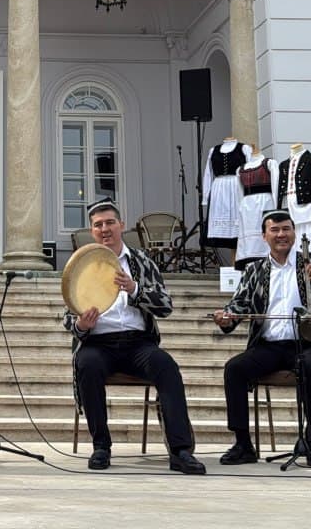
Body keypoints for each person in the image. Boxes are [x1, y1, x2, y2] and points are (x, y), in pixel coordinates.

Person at [63, 199, 206, 474]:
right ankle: (101, 447)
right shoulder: (81, 263)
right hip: (98, 343)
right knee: (87, 364)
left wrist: (135, 289)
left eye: (109, 223)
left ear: (121, 226)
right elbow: (67, 315)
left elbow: (166, 306)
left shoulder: (141, 261)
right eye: (98, 225)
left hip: (137, 343)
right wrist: (81, 324)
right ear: (92, 231)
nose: (105, 229)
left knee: (166, 367)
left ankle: (180, 451)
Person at [213, 209, 311, 466]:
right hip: (270, 346)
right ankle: (243, 443)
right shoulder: (255, 270)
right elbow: (240, 304)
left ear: (294, 232)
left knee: (309, 365)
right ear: (264, 236)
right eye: (274, 230)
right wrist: (228, 316)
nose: (281, 235)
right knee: (235, 368)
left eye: (286, 229)